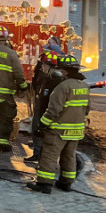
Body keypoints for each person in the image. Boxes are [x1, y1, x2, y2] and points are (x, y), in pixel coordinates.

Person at [28, 55, 89, 194]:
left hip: (58, 130)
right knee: (69, 156)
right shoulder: (84, 86)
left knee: (49, 155)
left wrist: (41, 125)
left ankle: (44, 183)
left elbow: (53, 110)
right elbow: (87, 109)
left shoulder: (62, 87)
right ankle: (66, 183)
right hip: (76, 130)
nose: (59, 72)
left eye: (61, 69)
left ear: (65, 71)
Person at [25, 50, 65, 163]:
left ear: (49, 65)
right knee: (37, 130)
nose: (42, 67)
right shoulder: (46, 77)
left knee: (42, 133)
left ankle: (40, 155)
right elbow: (35, 85)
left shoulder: (54, 80)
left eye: (43, 64)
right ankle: (38, 153)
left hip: (46, 112)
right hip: (41, 109)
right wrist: (37, 69)